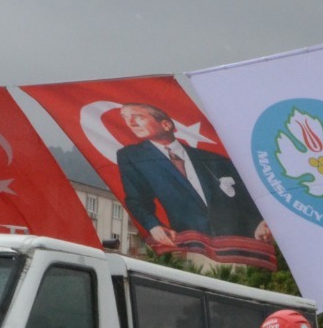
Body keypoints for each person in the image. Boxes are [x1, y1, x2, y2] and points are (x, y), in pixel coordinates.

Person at [115, 103, 270, 251]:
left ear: (166, 125)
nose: (131, 123)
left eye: (138, 117)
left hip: (239, 241)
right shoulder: (132, 156)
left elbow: (244, 196)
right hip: (189, 244)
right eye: (125, 119)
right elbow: (136, 200)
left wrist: (258, 221)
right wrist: (153, 225)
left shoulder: (212, 159)